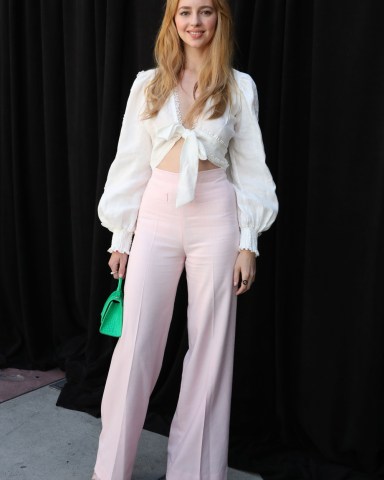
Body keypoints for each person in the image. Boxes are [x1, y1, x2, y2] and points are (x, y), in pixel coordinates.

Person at [92, 0, 278, 478]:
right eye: (185, 12)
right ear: (172, 21)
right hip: (155, 210)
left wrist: (248, 241)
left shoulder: (239, 87)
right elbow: (130, 163)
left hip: (216, 213)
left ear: (221, 19)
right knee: (136, 344)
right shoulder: (147, 84)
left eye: (206, 11)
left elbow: (251, 167)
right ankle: (110, 469)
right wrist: (121, 236)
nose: (195, 22)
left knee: (211, 348)